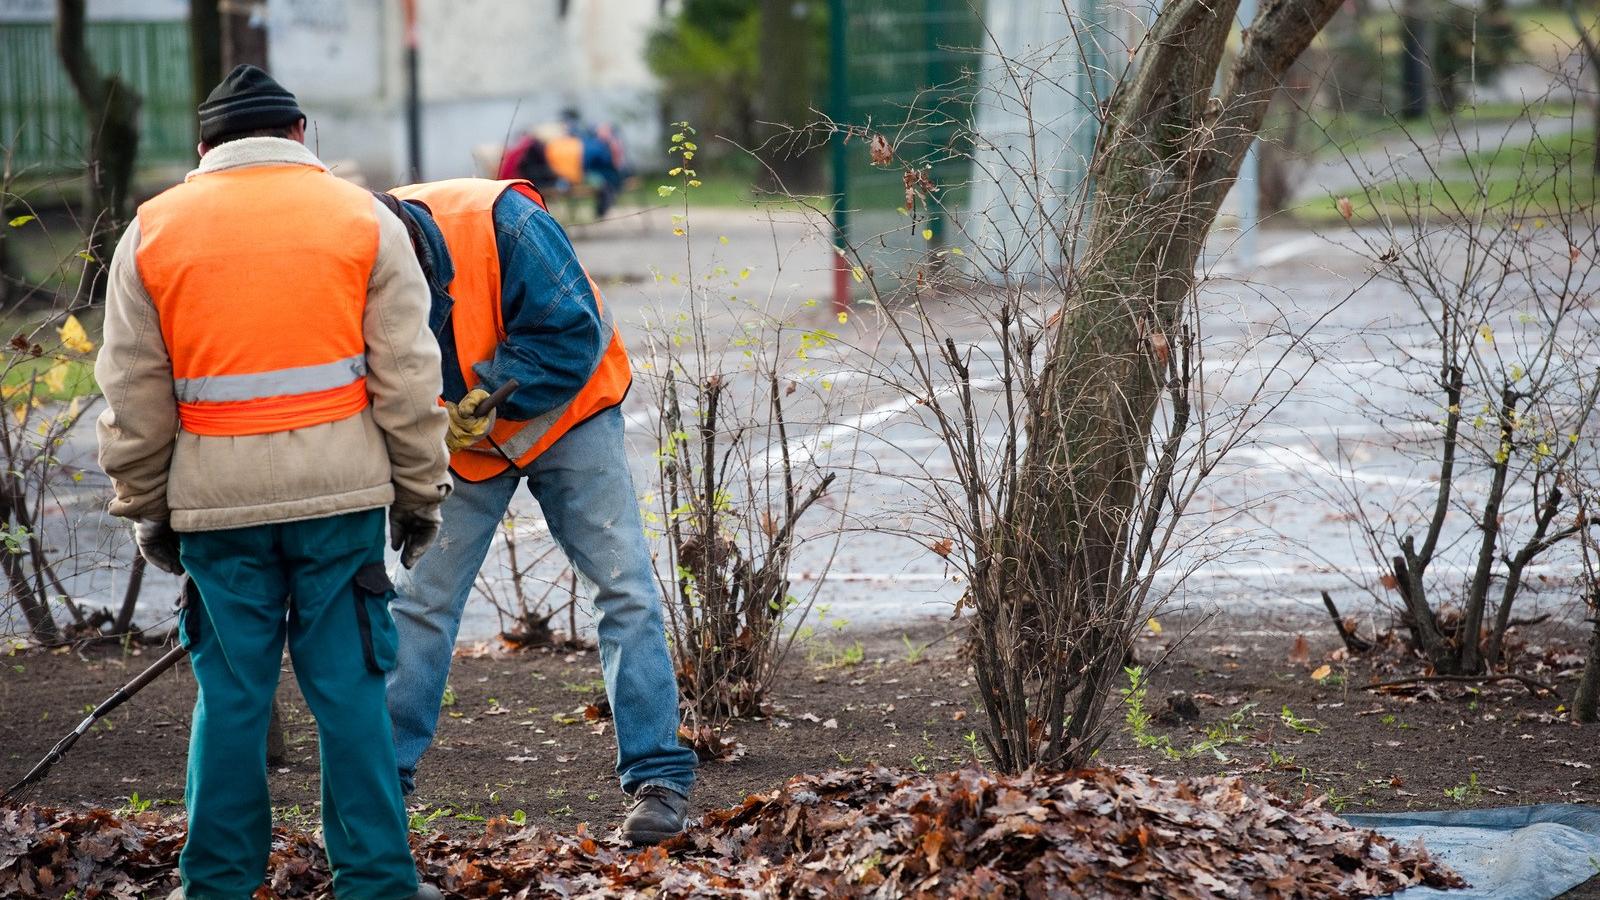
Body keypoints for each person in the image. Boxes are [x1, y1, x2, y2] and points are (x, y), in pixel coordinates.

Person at [95, 65, 451, 899]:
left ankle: (215, 884)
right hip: (341, 507)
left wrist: (147, 507)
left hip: (216, 513)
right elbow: (407, 373)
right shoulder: (362, 218)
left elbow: (133, 395)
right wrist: (419, 492)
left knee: (231, 699)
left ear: (204, 147)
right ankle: (377, 882)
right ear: (299, 134)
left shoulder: (152, 231)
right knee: (351, 694)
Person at [377, 176, 698, 844]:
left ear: (415, 250)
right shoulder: (358, 263)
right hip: (462, 444)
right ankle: (376, 787)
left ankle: (658, 782)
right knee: (418, 602)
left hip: (569, 418)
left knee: (623, 591)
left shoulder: (504, 223)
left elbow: (571, 332)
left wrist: (492, 394)